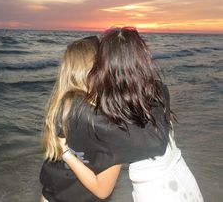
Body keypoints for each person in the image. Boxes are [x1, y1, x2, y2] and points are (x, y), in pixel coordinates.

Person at [58, 27, 204, 202]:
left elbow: (155, 144)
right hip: (184, 177)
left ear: (105, 67)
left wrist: (64, 149)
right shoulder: (157, 90)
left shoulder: (108, 116)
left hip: (156, 192)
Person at [40, 34, 169, 202]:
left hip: (50, 195)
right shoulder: (108, 120)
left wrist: (65, 153)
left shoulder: (62, 108)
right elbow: (102, 190)